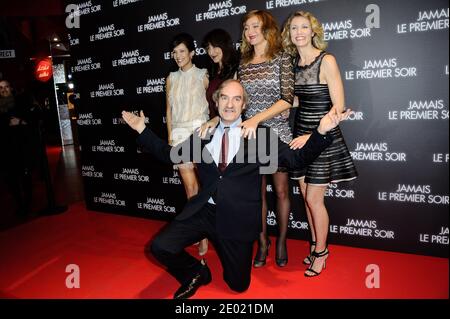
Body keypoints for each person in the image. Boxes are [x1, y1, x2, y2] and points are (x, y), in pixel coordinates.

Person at [121, 79, 351, 298]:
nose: (229, 104)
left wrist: (321, 132)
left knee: (238, 285)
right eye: (224, 98)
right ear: (216, 101)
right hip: (204, 211)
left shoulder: (260, 138)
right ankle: (196, 272)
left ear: (244, 104)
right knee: (161, 247)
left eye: (236, 99)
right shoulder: (204, 134)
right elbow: (171, 154)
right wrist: (143, 129)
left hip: (236, 219)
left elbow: (297, 159)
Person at [281, 11, 358, 277]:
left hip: (323, 137)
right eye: (294, 28)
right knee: (305, 197)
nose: (299, 32)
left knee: (314, 199)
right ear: (288, 34)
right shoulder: (293, 63)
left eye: (304, 27)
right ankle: (315, 245)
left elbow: (338, 108)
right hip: (300, 136)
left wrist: (312, 134)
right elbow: (300, 100)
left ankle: (321, 253)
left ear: (313, 31)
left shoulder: (327, 60)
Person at [166, 33, 210, 256]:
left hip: (201, 133)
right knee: (190, 190)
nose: (178, 56)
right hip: (180, 135)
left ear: (192, 53)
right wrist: (171, 139)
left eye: (182, 51)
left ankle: (206, 231)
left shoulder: (203, 75)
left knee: (204, 188)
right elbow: (169, 111)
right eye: (175, 52)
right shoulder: (171, 78)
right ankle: (200, 235)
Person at [0, 80, 41, 216]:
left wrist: (21, 122)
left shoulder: (21, 103)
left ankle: (27, 203)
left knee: (25, 176)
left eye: (6, 86)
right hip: (6, 149)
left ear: (11, 88)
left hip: (22, 147)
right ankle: (19, 203)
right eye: (1, 88)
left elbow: (34, 120)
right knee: (11, 179)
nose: (4, 89)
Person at [202, 28, 239, 119]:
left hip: (230, 125)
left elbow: (235, 105)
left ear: (224, 45)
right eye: (208, 48)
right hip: (212, 126)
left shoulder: (236, 70)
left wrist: (217, 120)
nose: (211, 52)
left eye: (214, 47)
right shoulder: (210, 73)